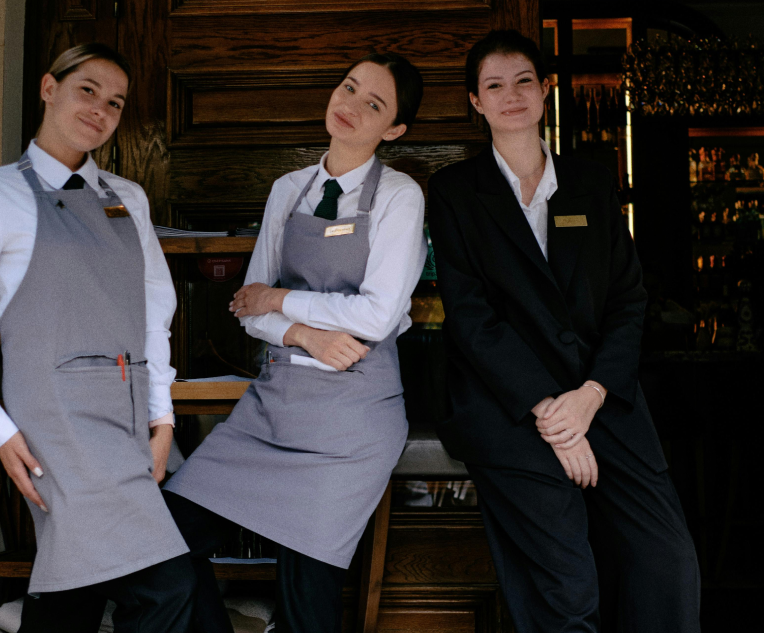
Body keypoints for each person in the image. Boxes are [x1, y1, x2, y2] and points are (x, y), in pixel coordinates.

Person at [427, 30, 701, 633]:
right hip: (510, 403)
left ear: (546, 89)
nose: (511, 95)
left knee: (668, 561)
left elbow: (629, 302)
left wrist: (592, 395)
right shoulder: (453, 194)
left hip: (601, 394)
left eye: (524, 80)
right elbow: (473, 318)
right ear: (475, 101)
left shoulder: (592, 183)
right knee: (567, 579)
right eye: (494, 85)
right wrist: (552, 411)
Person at [162, 52, 426, 633]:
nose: (351, 105)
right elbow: (245, 308)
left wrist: (280, 302)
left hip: (352, 421)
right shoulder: (289, 189)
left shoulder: (399, 197)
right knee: (164, 542)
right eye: (349, 87)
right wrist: (305, 332)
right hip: (273, 409)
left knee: (309, 594)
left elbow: (378, 316)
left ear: (395, 129)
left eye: (374, 104)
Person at [0, 44, 194, 632]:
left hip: (127, 414)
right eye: (88, 89)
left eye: (115, 102)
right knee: (165, 585)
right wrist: (1, 430)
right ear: (47, 87)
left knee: (79, 585)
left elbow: (155, 313)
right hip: (53, 423)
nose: (101, 110)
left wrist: (163, 422)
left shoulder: (127, 198)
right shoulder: (3, 196)